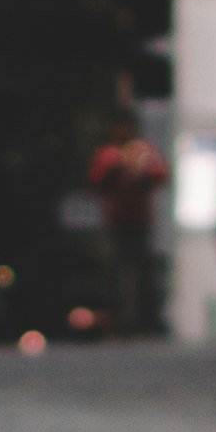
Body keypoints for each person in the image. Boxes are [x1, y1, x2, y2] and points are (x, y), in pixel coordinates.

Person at [86, 124, 169, 335]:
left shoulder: (144, 150)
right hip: (117, 222)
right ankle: (118, 320)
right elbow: (96, 179)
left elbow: (161, 175)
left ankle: (143, 321)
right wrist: (120, 163)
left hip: (139, 222)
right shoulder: (108, 154)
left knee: (142, 271)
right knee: (116, 272)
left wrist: (141, 165)